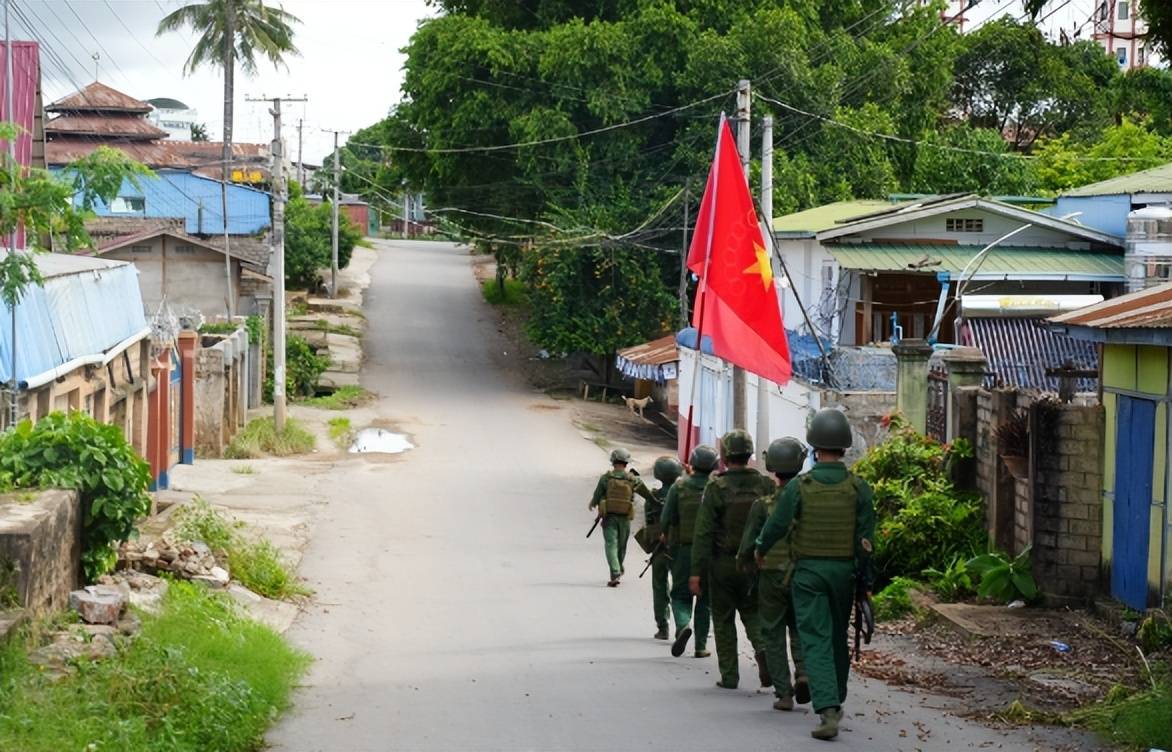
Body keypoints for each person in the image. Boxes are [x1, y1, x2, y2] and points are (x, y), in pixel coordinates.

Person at [755, 409, 875, 741]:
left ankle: (828, 709)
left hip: (808, 573)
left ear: (814, 447)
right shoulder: (858, 489)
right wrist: (865, 583)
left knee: (817, 639)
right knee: (837, 636)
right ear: (845, 446)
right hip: (844, 574)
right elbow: (865, 543)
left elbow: (776, 525)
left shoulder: (800, 487)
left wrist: (761, 549)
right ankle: (835, 695)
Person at [689, 429, 776, 689]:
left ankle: (729, 676)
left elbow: (703, 532)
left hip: (723, 564)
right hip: (756, 562)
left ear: (725, 456)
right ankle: (762, 650)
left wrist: (696, 572)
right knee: (753, 613)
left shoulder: (716, 487)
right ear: (749, 455)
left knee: (724, 618)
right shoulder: (765, 484)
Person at [739, 438, 809, 712]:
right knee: (800, 627)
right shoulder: (807, 501)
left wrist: (744, 566)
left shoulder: (763, 505)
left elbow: (748, 545)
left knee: (773, 632)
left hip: (770, 575)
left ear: (772, 468)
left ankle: (784, 693)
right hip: (802, 573)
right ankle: (803, 672)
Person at [660, 445, 717, 658]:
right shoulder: (716, 487)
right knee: (705, 599)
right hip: (711, 551)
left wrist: (664, 534)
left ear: (692, 463)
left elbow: (666, 519)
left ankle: (683, 625)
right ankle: (701, 647)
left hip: (684, 550)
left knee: (680, 595)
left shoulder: (679, 487)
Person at [589, 447, 657, 587]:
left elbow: (597, 495)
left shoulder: (606, 478)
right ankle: (618, 567)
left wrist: (593, 503)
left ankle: (615, 570)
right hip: (625, 517)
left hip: (609, 517)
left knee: (610, 544)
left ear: (613, 462)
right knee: (621, 545)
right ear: (626, 463)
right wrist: (655, 502)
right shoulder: (632, 479)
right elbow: (647, 494)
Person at [639, 456, 683, 640]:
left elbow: (649, 522)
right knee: (680, 588)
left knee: (659, 586)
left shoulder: (652, 497)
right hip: (678, 547)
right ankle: (682, 624)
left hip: (658, 547)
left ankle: (662, 627)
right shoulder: (683, 494)